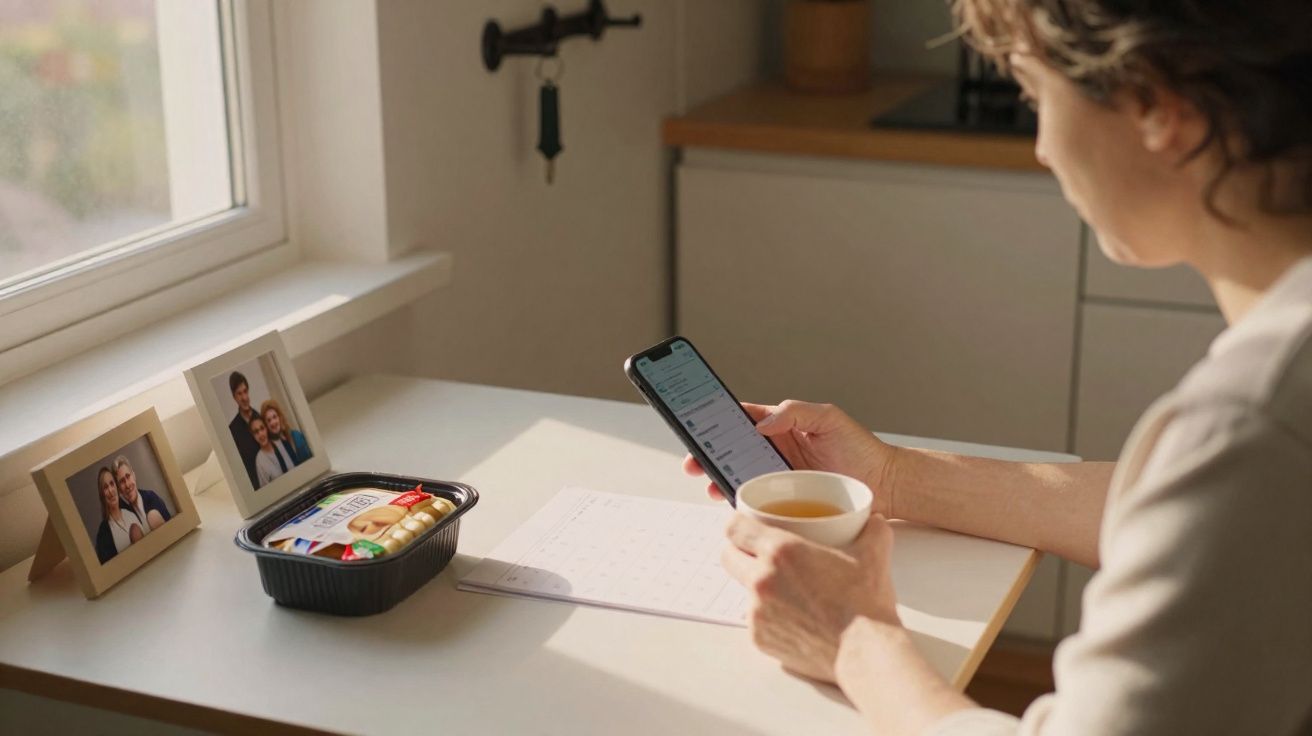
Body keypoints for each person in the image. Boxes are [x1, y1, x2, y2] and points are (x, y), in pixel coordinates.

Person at [686, 1, 1312, 733]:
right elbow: (1196, 509)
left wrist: (855, 640)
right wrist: (891, 476)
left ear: (1156, 106)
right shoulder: (1264, 432)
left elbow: (1224, 484)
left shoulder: (1258, 420)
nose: (1043, 148)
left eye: (1036, 94)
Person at [92, 467, 141, 564]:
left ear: (116, 487)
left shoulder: (131, 514)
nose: (110, 491)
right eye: (105, 487)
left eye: (112, 484)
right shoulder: (104, 534)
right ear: (102, 495)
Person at [114, 456, 170, 533]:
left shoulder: (152, 497)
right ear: (119, 489)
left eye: (128, 476)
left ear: (134, 475)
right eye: (122, 481)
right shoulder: (125, 515)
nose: (127, 485)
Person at [227, 371, 262, 489]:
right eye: (239, 394)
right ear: (234, 397)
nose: (244, 397)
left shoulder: (261, 418)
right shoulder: (232, 430)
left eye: (246, 391)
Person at [261, 399, 312, 466]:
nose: (273, 422)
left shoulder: (296, 435)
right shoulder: (271, 449)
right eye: (269, 420)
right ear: (266, 425)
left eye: (274, 417)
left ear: (280, 417)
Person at [249, 415, 294, 489]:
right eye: (256, 432)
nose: (261, 434)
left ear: (266, 428)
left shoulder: (282, 443)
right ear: (253, 436)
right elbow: (266, 491)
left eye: (262, 428)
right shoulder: (259, 461)